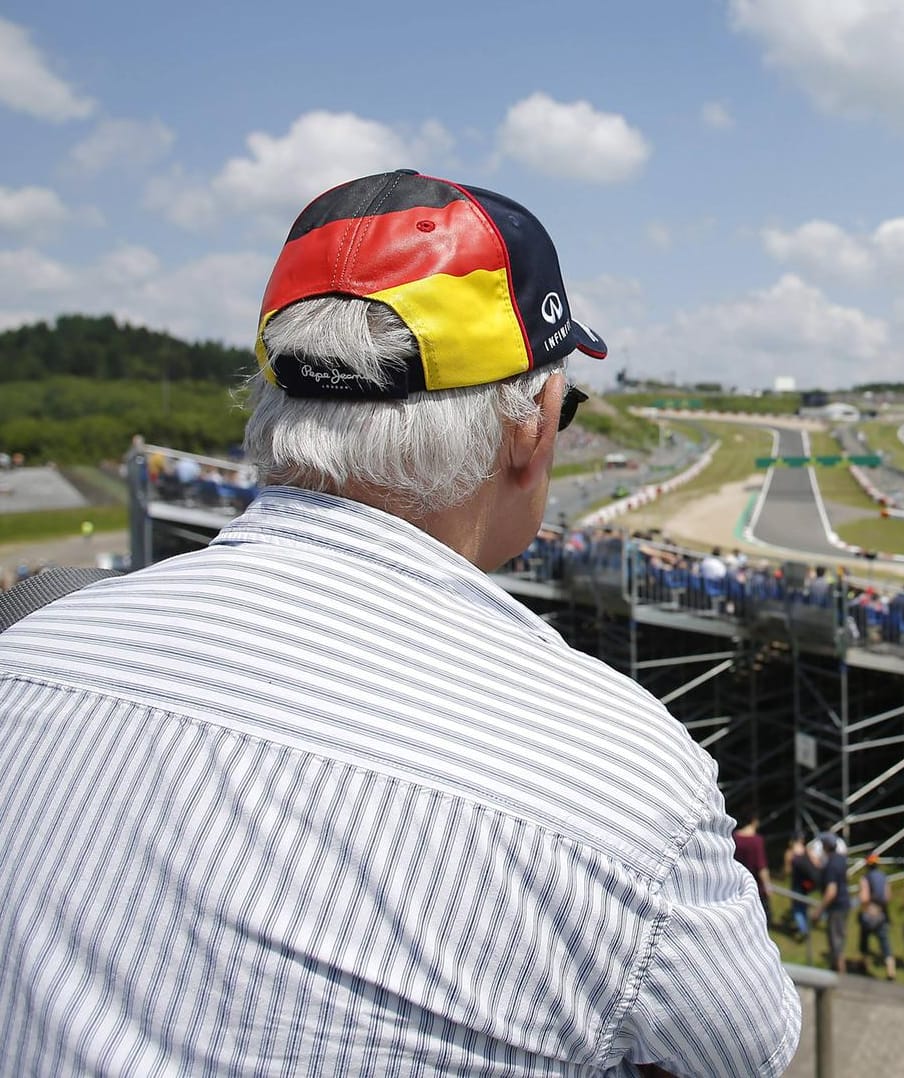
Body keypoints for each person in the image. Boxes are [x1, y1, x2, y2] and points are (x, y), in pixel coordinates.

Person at [0, 170, 799, 1076]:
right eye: (564, 405)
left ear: (272, 406)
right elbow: (748, 1055)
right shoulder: (626, 775)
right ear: (532, 427)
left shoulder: (28, 647)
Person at [812, 832, 851, 973]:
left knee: (835, 941)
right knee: (839, 937)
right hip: (844, 903)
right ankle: (837, 970)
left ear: (826, 846)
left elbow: (831, 891)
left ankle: (840, 974)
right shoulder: (841, 859)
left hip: (836, 907)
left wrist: (819, 910)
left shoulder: (831, 865)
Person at [857, 853, 897, 980]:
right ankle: (891, 970)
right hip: (881, 913)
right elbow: (888, 897)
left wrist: (863, 908)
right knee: (884, 942)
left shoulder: (865, 878)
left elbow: (864, 897)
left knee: (864, 940)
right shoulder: (884, 877)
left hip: (869, 913)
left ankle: (864, 965)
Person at [732, 808, 773, 927]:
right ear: (754, 820)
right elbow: (761, 866)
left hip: (737, 883)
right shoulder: (756, 841)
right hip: (755, 885)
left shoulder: (734, 836)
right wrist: (767, 885)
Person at [785, 834, 819, 941]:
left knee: (797, 908)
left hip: (796, 883)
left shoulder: (790, 853)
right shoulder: (806, 850)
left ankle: (803, 930)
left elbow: (788, 871)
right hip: (806, 884)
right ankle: (805, 925)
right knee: (803, 904)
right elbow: (816, 864)